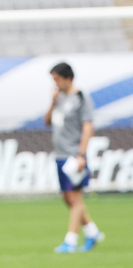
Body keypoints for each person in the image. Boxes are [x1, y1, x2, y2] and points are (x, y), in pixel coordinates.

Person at [45, 62, 104, 253]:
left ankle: (70, 241)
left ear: (68, 78)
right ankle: (92, 232)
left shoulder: (81, 98)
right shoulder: (59, 98)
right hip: (60, 154)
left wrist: (81, 154)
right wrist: (52, 102)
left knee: (75, 198)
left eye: (57, 79)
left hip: (74, 156)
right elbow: (47, 121)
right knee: (67, 198)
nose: (55, 83)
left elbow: (88, 127)